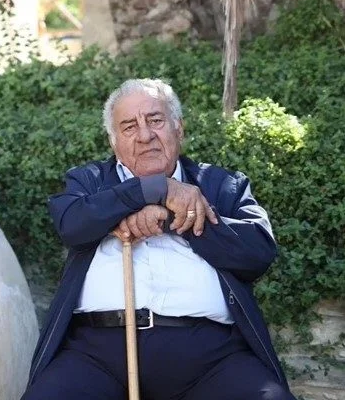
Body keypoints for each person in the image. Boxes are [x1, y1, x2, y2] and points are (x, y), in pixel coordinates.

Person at [21, 79, 296, 399]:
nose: (145, 135)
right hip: (96, 356)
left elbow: (258, 253)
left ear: (179, 128)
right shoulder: (89, 182)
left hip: (211, 357)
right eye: (129, 126)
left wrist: (168, 218)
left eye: (155, 120)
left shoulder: (223, 185)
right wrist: (154, 188)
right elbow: (72, 225)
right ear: (114, 142)